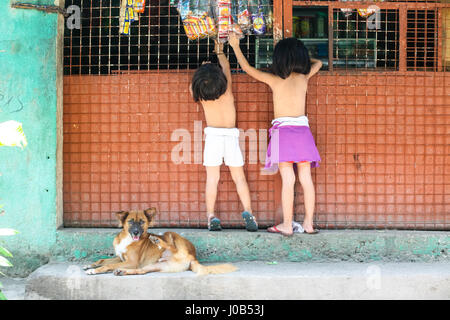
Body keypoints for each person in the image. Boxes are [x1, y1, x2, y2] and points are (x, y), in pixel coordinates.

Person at [229, 34, 322, 236]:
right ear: (301, 57)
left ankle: (287, 225)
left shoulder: (273, 79)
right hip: (303, 133)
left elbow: (246, 68)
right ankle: (308, 224)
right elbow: (319, 62)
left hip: (283, 134)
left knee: (288, 179)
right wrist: (304, 63)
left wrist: (236, 46)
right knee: (306, 178)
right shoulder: (304, 77)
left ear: (278, 60)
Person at [190, 40, 258, 232]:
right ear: (221, 80)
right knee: (239, 178)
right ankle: (248, 212)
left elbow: (194, 86)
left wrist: (202, 71)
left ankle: (211, 215)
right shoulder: (227, 91)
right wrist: (219, 49)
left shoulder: (201, 96)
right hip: (231, 137)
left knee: (212, 179)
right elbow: (226, 65)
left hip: (212, 138)